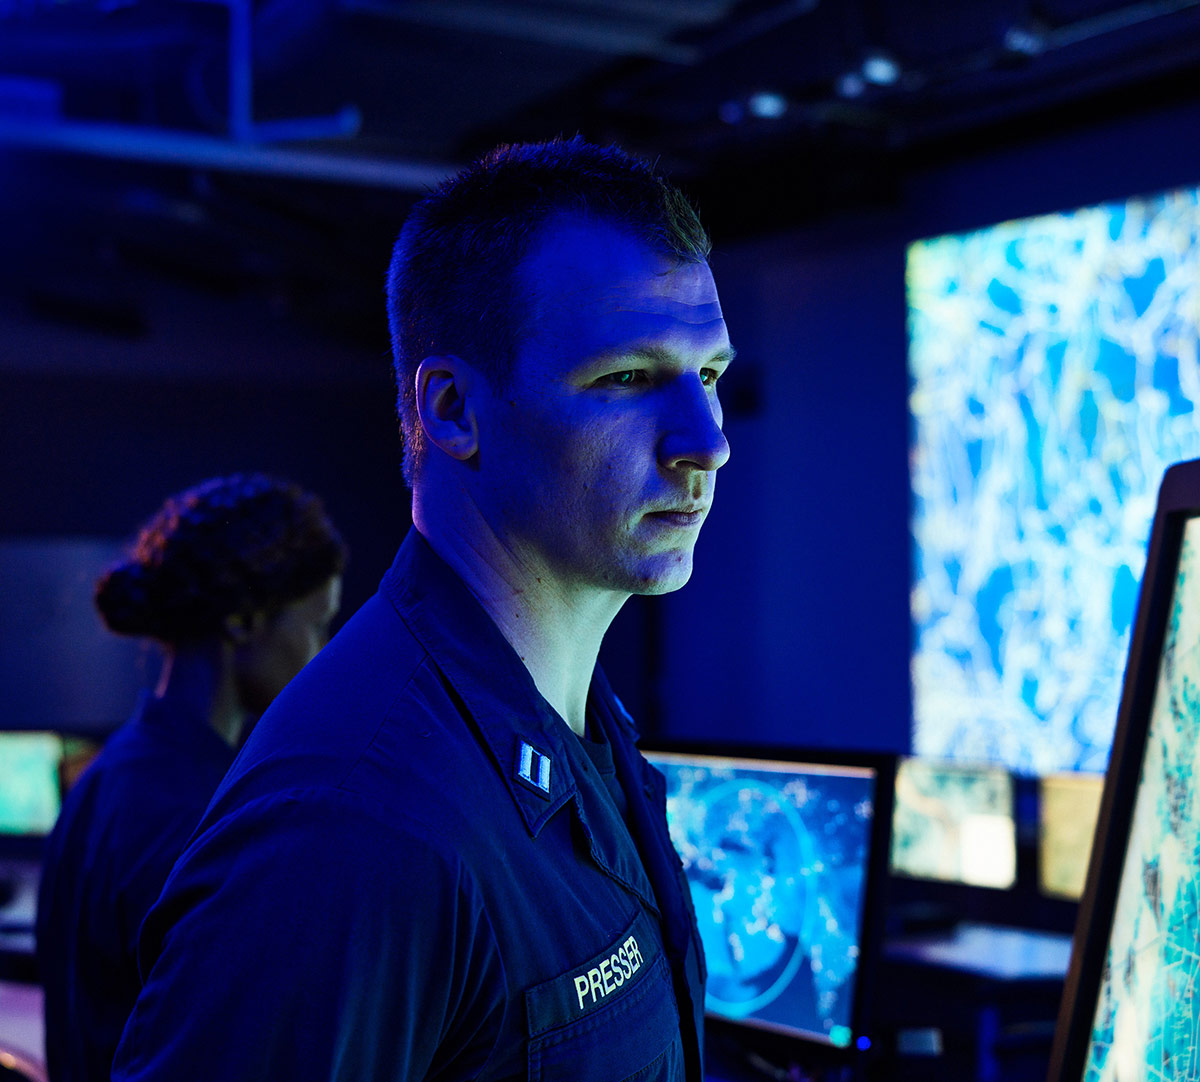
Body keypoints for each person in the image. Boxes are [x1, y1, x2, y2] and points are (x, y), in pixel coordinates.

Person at [112, 137, 732, 1081]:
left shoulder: (577, 724)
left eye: (711, 375)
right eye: (627, 378)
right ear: (449, 410)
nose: (706, 441)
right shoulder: (352, 825)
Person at [36, 473, 347, 1082]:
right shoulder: (195, 817)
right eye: (316, 625)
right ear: (245, 621)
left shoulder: (107, 776)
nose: (325, 653)